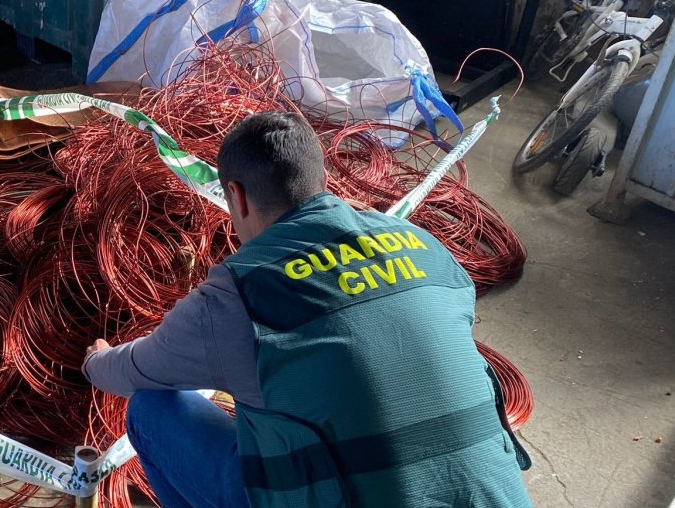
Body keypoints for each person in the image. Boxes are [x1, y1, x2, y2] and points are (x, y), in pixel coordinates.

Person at [83, 112, 532, 507]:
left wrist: (95, 360)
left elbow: (131, 373)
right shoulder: (424, 247)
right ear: (322, 181)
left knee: (150, 411)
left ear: (236, 197)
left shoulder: (239, 295)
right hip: (496, 497)